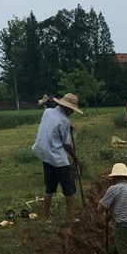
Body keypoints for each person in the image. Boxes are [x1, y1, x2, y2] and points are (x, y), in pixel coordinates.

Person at [32, 92, 83, 222]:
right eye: (71, 109)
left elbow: (53, 126)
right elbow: (66, 145)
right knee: (69, 188)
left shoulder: (48, 112)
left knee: (49, 187)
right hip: (57, 157)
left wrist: (67, 127)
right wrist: (75, 158)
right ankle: (70, 216)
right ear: (66, 107)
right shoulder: (64, 121)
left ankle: (46, 214)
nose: (72, 112)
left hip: (45, 153)